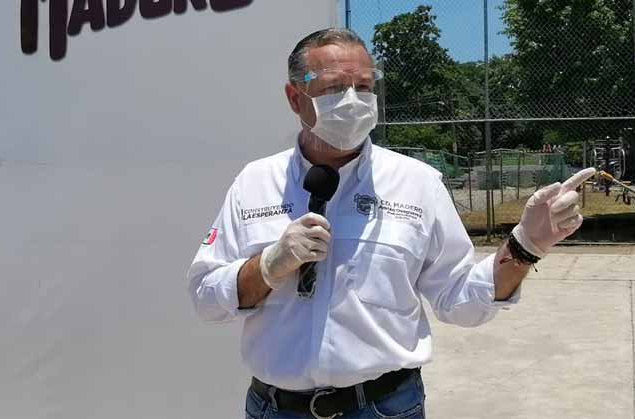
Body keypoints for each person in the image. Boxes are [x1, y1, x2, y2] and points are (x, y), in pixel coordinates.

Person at [187, 28, 594, 419]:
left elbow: (459, 300)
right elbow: (206, 299)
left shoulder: (417, 183)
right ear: (295, 98)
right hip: (276, 409)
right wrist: (268, 266)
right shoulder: (255, 183)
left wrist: (524, 247)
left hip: (385, 407)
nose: (353, 101)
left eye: (364, 86)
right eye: (333, 88)